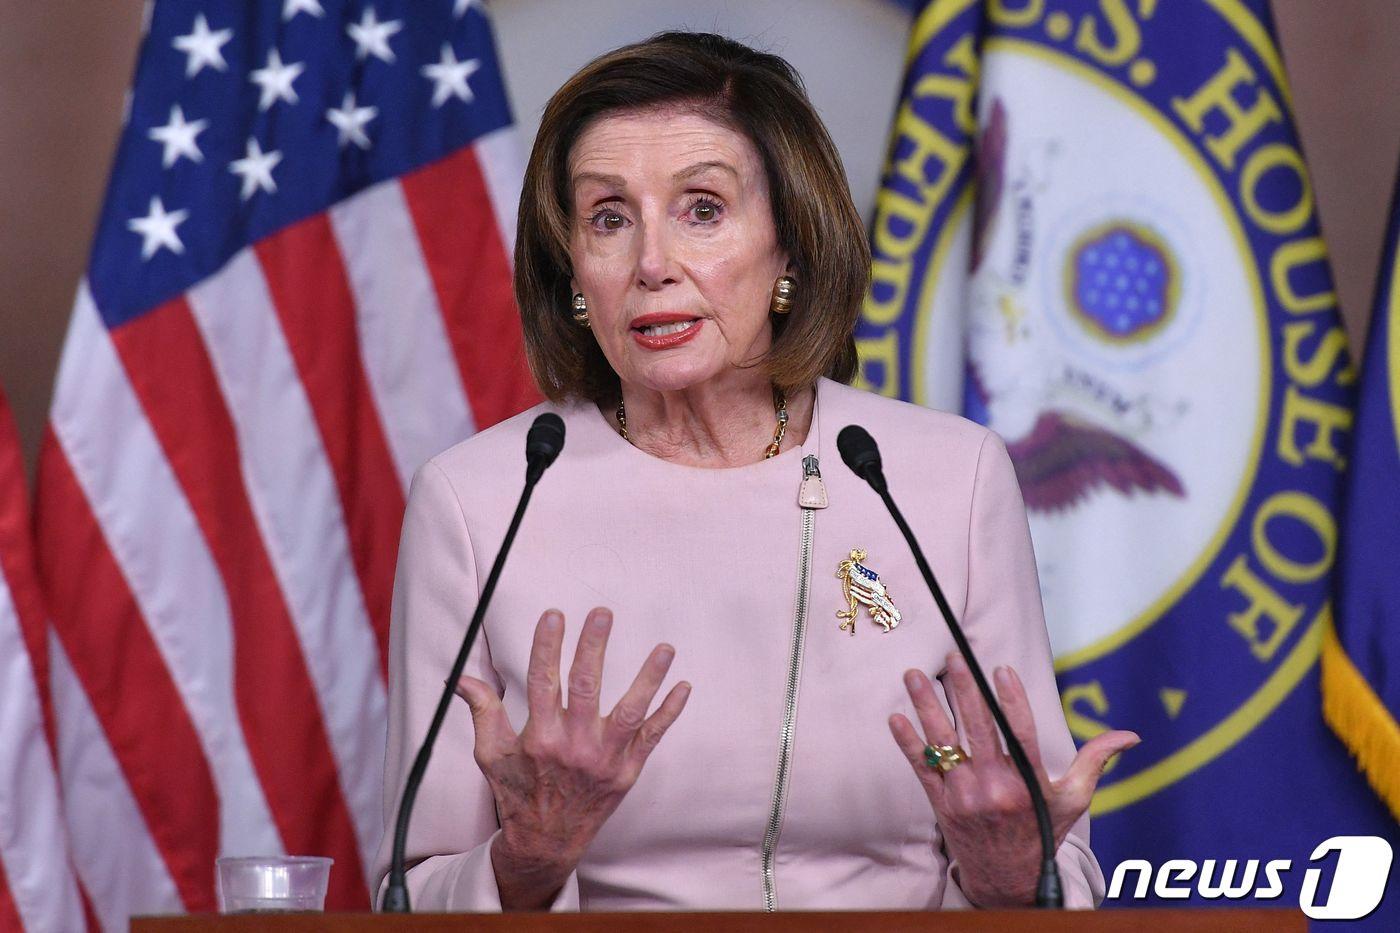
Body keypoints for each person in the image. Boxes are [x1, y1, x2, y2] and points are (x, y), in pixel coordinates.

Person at [372, 31, 1139, 912]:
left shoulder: (944, 478)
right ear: (574, 273)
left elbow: (1052, 861)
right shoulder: (481, 500)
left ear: (789, 249)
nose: (652, 264)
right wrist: (529, 859)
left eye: (702, 209)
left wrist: (1013, 874)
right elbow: (407, 893)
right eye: (609, 218)